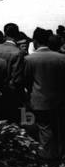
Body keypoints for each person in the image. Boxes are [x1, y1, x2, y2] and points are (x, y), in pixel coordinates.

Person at [22, 27, 65, 159]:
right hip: (60, 100)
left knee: (45, 129)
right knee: (60, 128)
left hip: (40, 101)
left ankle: (48, 160)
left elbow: (27, 82)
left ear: (35, 41)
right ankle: (60, 155)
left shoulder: (29, 59)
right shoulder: (62, 58)